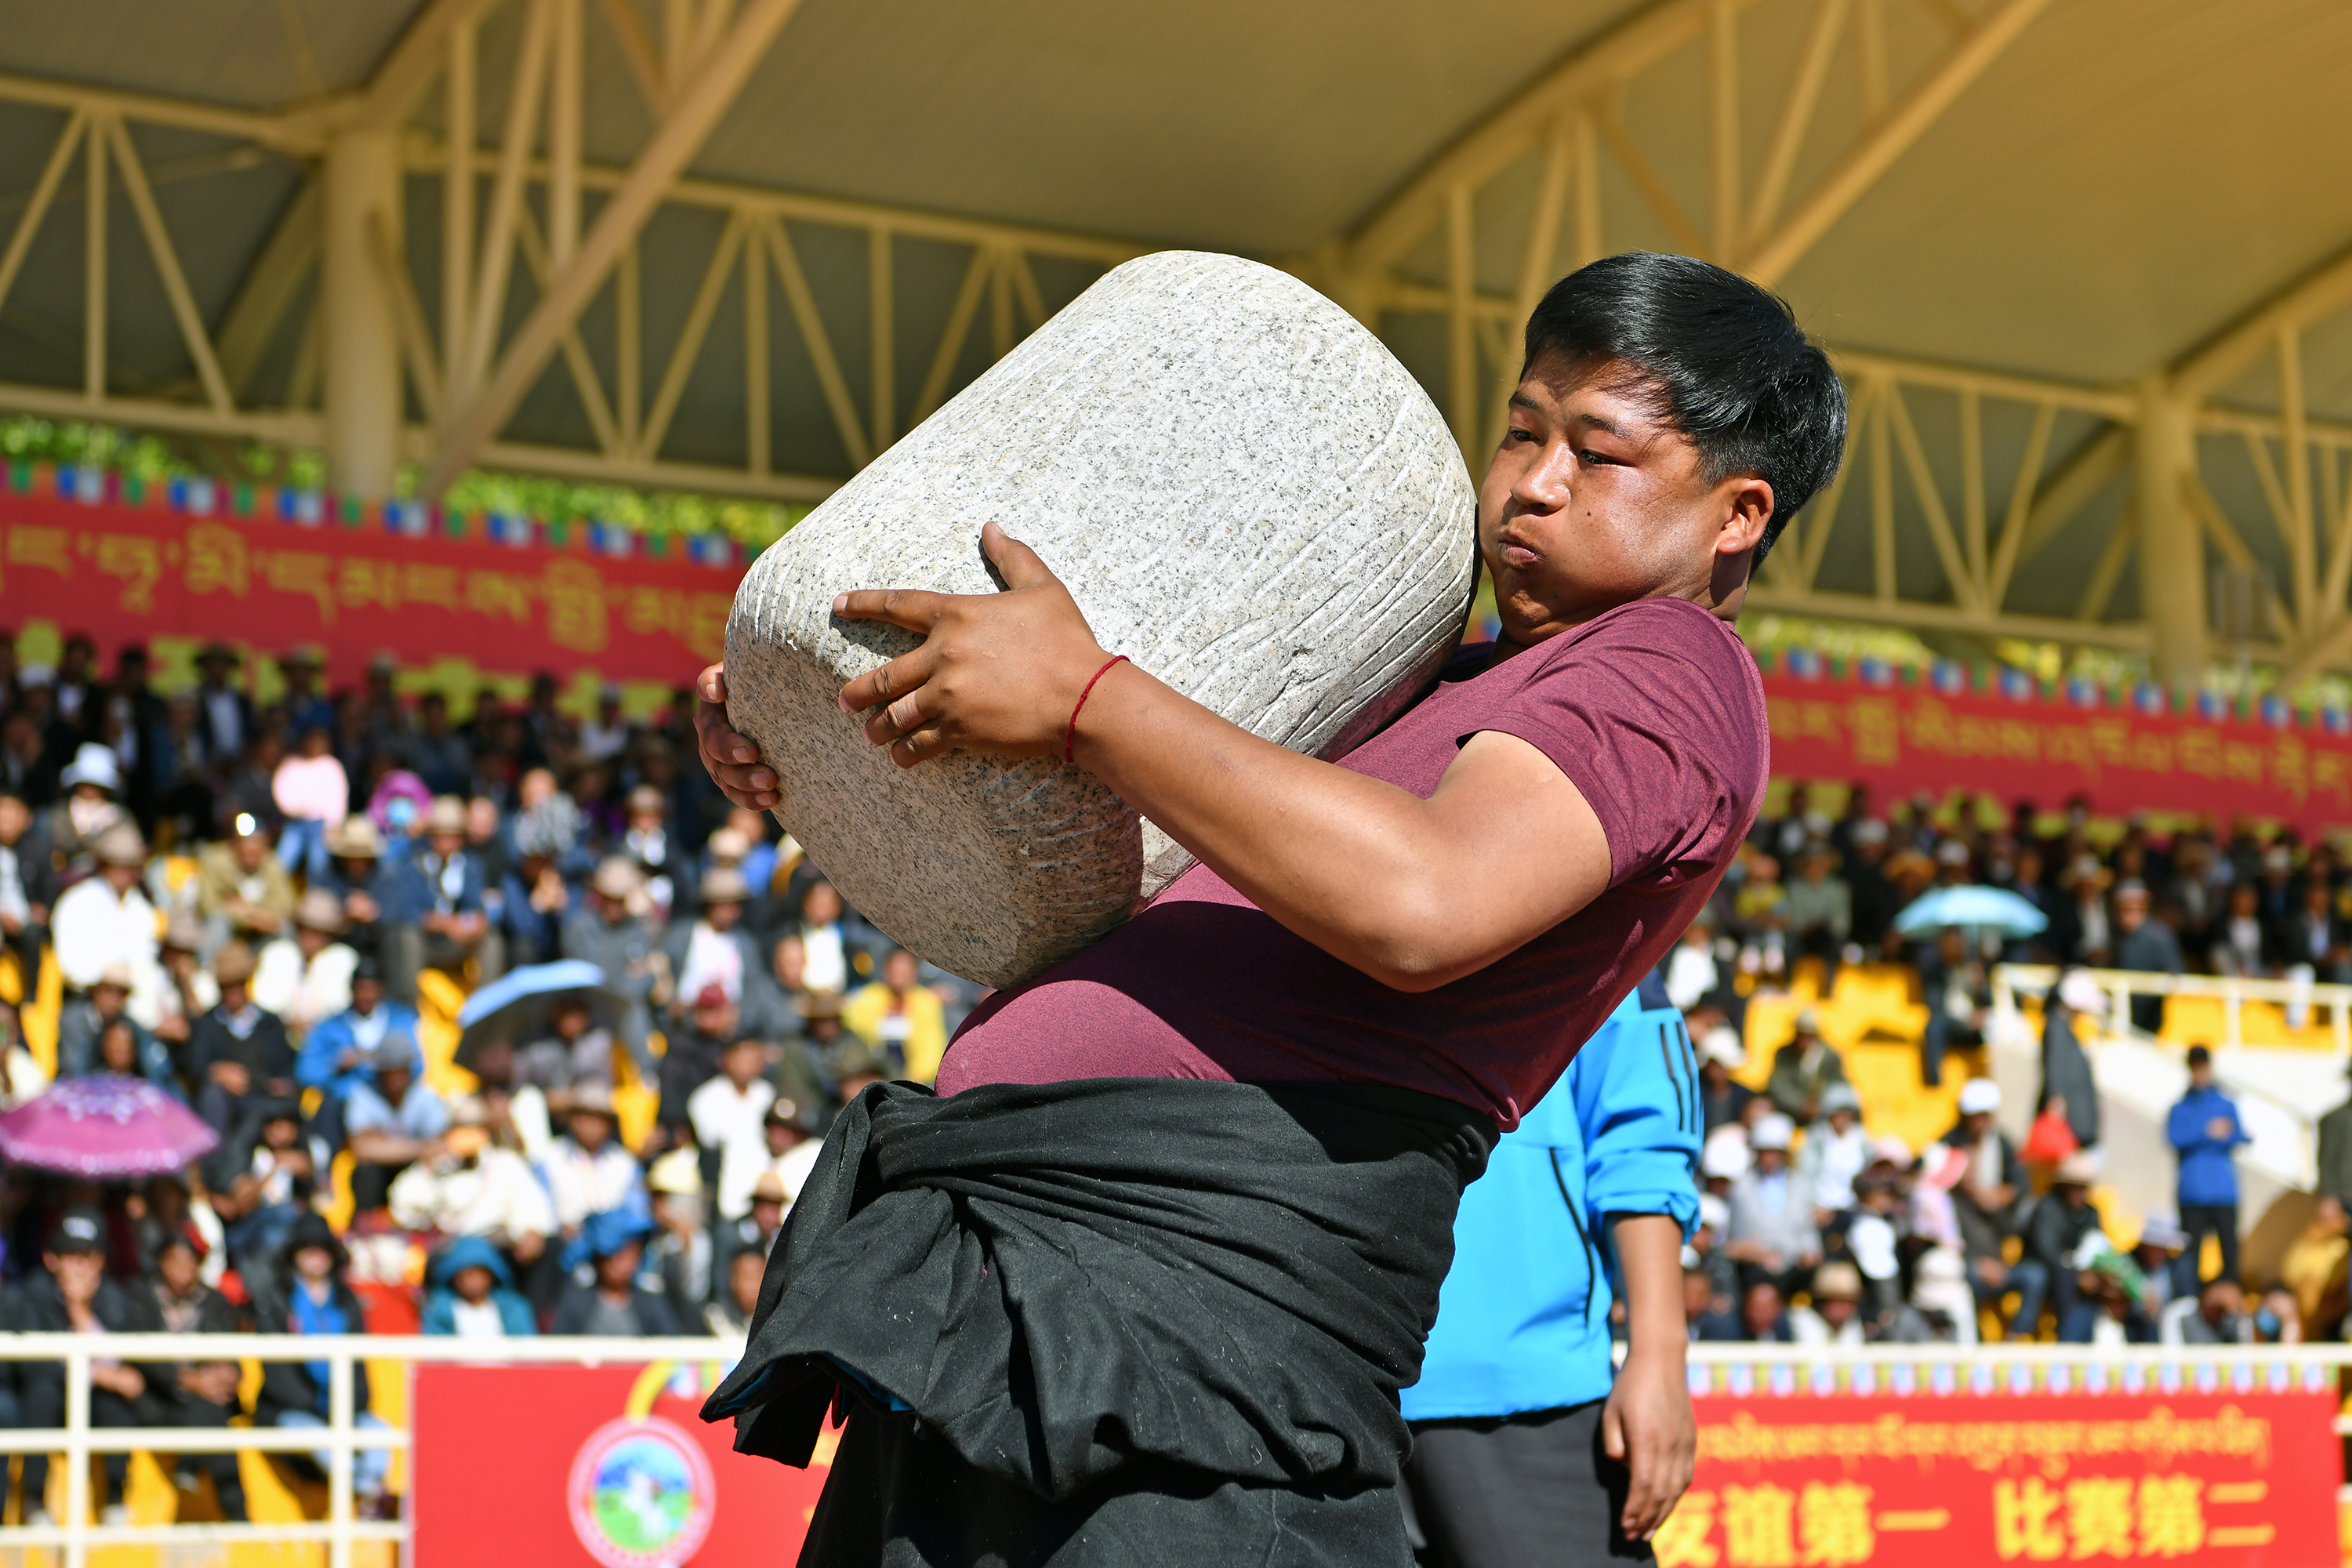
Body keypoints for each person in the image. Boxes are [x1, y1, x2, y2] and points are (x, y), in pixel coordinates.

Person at [695, 252, 1831, 1559]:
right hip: (1060, 1269)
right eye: (1522, 429)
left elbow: (1423, 899)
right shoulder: (1445, 675)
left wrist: (1084, 695)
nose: (1531, 482)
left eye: (1599, 453)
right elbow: (1086, 852)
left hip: (1198, 1310)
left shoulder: (1670, 669)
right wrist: (821, 742)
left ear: (1737, 514)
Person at [1399, 990, 1704, 1565]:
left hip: (1526, 1389)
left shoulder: (1596, 905)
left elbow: (1643, 1135)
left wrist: (1660, 1354)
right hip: (1295, 1380)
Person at [7, 1208, 166, 1526]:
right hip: (50, 1396)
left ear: (102, 1261)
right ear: (51, 1259)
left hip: (95, 1400)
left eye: (88, 1256)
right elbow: (30, 1366)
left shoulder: (114, 1297)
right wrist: (101, 1374)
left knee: (115, 1406)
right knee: (41, 1394)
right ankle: (35, 1502)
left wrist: (79, 1311)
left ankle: (115, 1503)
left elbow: (127, 1366)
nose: (80, 1265)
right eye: (70, 1255)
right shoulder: (29, 1294)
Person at [252, 1214, 394, 1514]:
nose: (315, 1255)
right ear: (293, 1253)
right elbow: (277, 1375)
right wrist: (320, 1408)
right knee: (324, 1442)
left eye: (322, 1248)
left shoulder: (347, 1301)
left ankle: (366, 1497)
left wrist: (346, 1408)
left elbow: (359, 1370)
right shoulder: (274, 1300)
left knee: (381, 1434)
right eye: (306, 1247)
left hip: (345, 1409)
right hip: (292, 1411)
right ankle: (370, 1497)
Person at [140, 1229, 251, 1522]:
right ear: (161, 1262)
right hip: (159, 1400)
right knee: (213, 1420)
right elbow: (139, 1357)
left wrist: (226, 1374)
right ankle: (239, 1516)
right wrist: (186, 1379)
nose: (181, 1269)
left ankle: (189, 1468)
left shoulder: (215, 1301)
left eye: (190, 1262)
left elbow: (231, 1357)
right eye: (174, 1260)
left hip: (205, 1398)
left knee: (210, 1410)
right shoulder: (141, 1296)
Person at [389, 1094, 555, 1261]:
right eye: (461, 1128)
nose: (468, 1134)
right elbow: (404, 1210)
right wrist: (427, 1169)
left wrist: (531, 1230)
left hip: (493, 1249)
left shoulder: (504, 1162)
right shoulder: (438, 1165)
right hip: (449, 1250)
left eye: (476, 1127)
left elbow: (530, 1204)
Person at [2167, 1044, 2249, 1298]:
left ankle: (2232, 1307)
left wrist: (2208, 1136)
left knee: (2230, 1258)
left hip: (2223, 1193)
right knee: (2191, 1259)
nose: (2199, 1071)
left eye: (2202, 1065)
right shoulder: (2180, 1108)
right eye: (2195, 1066)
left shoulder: (2225, 1103)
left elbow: (2239, 1136)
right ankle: (2190, 1304)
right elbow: (2174, 1138)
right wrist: (2209, 1132)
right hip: (2192, 1194)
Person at [344, 1036, 451, 1213]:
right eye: (390, 1070)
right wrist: (419, 1148)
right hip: (381, 1173)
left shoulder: (424, 1093)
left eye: (401, 1069)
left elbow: (440, 1145)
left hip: (415, 1171)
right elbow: (360, 1148)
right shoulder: (363, 1094)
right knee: (366, 1173)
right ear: (380, 1072)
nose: (396, 1077)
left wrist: (385, 1144)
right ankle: (367, 1225)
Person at [2009, 1151, 2105, 1339]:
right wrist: (2076, 1272)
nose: (2079, 1192)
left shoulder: (2091, 1213)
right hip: (2049, 1271)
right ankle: (2067, 1340)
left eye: (2083, 1186)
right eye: (2074, 1186)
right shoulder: (2047, 1207)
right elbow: (2046, 1250)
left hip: (2077, 1273)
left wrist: (2093, 1273)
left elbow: (2099, 1246)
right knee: (2065, 1279)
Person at [1724, 1114, 1820, 1301]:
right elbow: (1733, 1238)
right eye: (1764, 1151)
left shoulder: (1800, 1185)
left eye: (1774, 1152)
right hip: (1755, 1269)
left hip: (1793, 1267)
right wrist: (1756, 1254)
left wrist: (1808, 1252)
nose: (1769, 1158)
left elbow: (1808, 1230)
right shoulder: (1740, 1187)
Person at [297, 958, 420, 1105]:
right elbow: (305, 1072)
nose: (366, 996)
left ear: (381, 990)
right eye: (361, 989)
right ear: (352, 990)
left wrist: (384, 1061)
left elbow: (419, 1066)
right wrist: (337, 1064)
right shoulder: (330, 1027)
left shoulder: (402, 1021)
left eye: (372, 989)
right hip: (343, 1101)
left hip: (390, 1102)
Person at [691, 1036, 779, 1221]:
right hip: (725, 1192)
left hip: (765, 1189)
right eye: (741, 1060)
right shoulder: (706, 1098)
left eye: (753, 1060)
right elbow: (710, 1143)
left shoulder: (768, 1095)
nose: (747, 1066)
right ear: (725, 1060)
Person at [252, 888, 358, 1040]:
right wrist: (288, 1022)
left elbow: (342, 1008)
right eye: (306, 929)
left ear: (330, 934)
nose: (311, 937)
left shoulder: (343, 959)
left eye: (319, 931)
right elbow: (264, 1004)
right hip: (277, 1036)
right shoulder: (277, 954)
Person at [551, 1210, 680, 1335]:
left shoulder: (651, 1304)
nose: (618, 1261)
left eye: (627, 1252)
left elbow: (673, 1346)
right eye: (612, 1253)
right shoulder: (575, 1302)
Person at [844, 947, 949, 1083]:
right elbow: (857, 1035)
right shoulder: (866, 999)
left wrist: (914, 1077)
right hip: (874, 1069)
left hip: (912, 1075)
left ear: (915, 973)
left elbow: (932, 1048)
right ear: (886, 971)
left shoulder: (927, 1003)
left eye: (905, 972)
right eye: (895, 971)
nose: (900, 976)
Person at [196, 813, 296, 953]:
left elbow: (285, 909)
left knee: (286, 928)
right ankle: (206, 969)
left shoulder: (274, 865)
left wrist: (249, 912)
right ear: (233, 843)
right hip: (228, 934)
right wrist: (250, 918)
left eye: (256, 841)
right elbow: (209, 906)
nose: (251, 847)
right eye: (246, 841)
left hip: (261, 934)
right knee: (216, 924)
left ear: (265, 844)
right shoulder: (215, 862)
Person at [421, 1235, 538, 1338]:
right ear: (454, 1276)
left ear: (491, 1274)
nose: (474, 1280)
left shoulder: (512, 1308)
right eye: (467, 1273)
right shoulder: (439, 1309)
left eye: (480, 1272)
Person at [2040, 968, 2104, 1153]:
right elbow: (2055, 1069)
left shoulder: (2064, 1028)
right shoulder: (2056, 1028)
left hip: (2075, 1128)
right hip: (2071, 1129)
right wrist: (2056, 1104)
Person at [1763, 1009, 1845, 1122]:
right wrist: (1801, 1104)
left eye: (1809, 1035)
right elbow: (1777, 1085)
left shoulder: (1831, 1057)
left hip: (1823, 1114)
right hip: (1789, 1112)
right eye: (1801, 1034)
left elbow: (1838, 1086)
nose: (1804, 1039)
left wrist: (1819, 1104)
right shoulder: (1784, 1054)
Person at [1787, 1260, 1866, 1348]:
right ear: (1823, 1302)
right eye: (1839, 1300)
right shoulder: (1801, 1318)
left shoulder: (1853, 1323)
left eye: (1851, 1302)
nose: (1846, 1307)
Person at [2160, 1276, 2254, 1345]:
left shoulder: (2230, 1318)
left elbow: (2245, 1353)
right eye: (2217, 1290)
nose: (2220, 1296)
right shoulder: (2182, 1313)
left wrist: (2240, 1311)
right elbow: (2172, 1356)